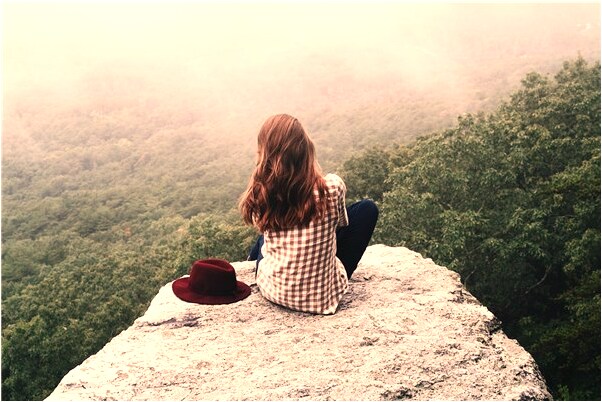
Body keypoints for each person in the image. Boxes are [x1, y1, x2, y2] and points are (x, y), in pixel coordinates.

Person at [239, 114, 378, 314]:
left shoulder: (262, 194)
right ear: (305, 148)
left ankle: (250, 261)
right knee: (367, 209)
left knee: (264, 238)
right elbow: (340, 225)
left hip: (274, 290)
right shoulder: (332, 187)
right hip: (323, 299)